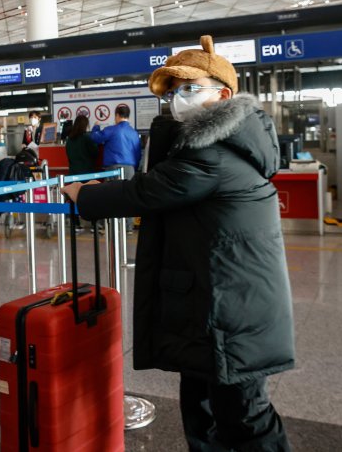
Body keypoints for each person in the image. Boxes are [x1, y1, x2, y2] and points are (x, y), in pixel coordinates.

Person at [62, 35, 294, 452]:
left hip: (233, 315)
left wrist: (85, 195)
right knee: (204, 411)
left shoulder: (213, 154)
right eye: (171, 91)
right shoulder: (219, 146)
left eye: (188, 88)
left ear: (222, 95)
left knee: (246, 420)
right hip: (215, 304)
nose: (176, 99)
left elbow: (149, 192)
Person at [90, 104, 141, 233]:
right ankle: (128, 227)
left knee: (109, 196)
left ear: (117, 116)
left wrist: (96, 126)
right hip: (130, 168)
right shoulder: (134, 133)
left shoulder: (112, 129)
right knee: (128, 197)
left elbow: (95, 138)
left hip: (113, 167)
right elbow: (138, 153)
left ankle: (107, 226)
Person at [65, 115, 98, 231]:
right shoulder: (86, 138)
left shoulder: (69, 140)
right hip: (87, 174)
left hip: (73, 174)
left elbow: (68, 157)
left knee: (74, 199)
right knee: (92, 199)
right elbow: (95, 153)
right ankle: (94, 225)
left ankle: (76, 225)